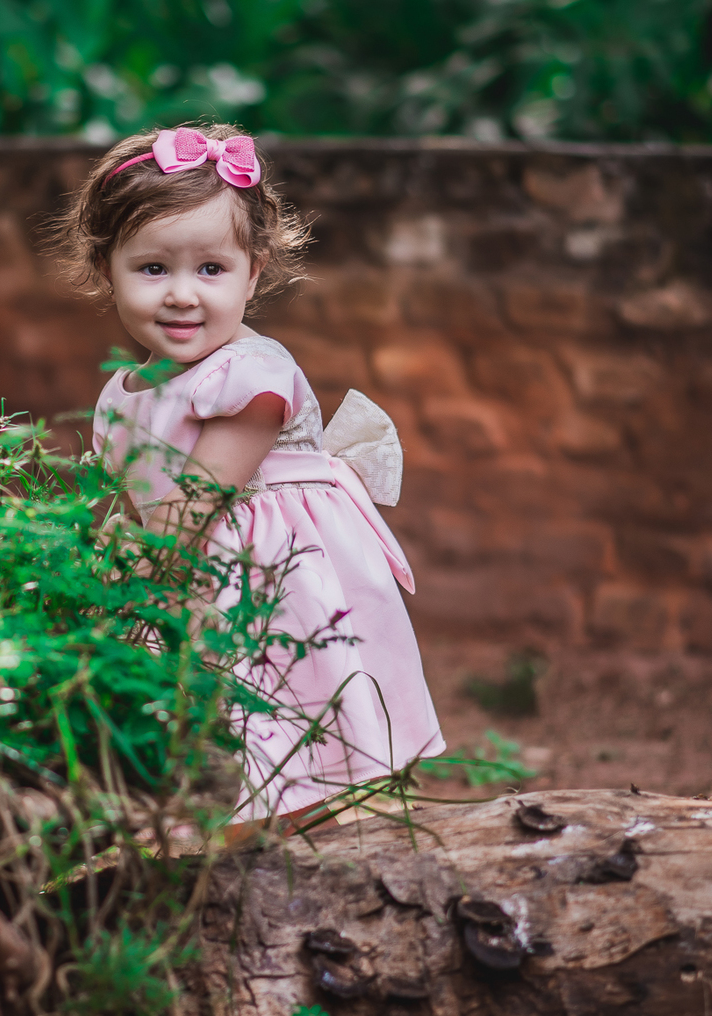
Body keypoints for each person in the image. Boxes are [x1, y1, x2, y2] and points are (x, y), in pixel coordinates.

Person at [58, 121, 444, 823]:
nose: (182, 294)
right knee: (190, 752)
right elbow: (133, 509)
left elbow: (194, 505)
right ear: (105, 269)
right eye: (153, 269)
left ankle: (340, 840)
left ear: (253, 272)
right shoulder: (123, 394)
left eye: (211, 269)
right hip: (184, 574)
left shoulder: (252, 376)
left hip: (274, 582)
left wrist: (118, 588)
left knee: (299, 731)